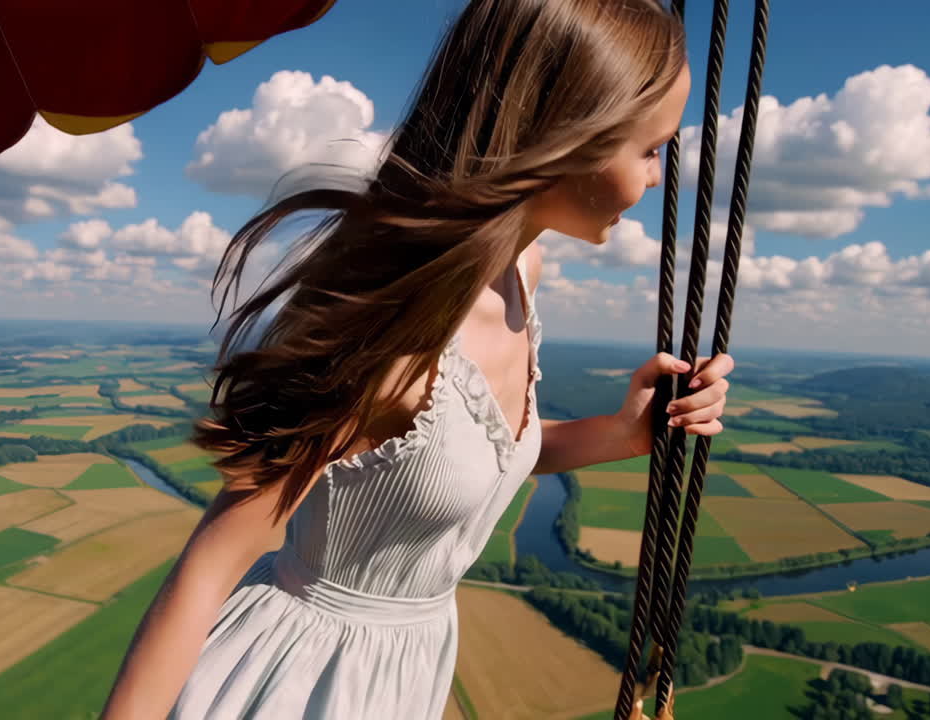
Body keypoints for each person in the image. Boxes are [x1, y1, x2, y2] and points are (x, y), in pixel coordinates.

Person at [101, 0, 733, 718]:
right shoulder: (395, 337)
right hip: (294, 679)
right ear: (565, 134)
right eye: (650, 149)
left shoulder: (522, 276)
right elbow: (210, 565)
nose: (657, 178)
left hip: (404, 674)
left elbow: (472, 463)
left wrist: (626, 433)